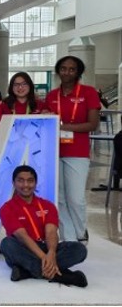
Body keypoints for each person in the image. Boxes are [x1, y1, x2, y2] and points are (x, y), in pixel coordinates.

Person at [0, 165, 88, 287]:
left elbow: (51, 233)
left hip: (46, 247)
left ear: (35, 183)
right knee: (7, 244)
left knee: (80, 249)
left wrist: (51, 253)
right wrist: (44, 258)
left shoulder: (47, 205)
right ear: (13, 183)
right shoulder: (7, 208)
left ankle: (27, 272)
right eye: (20, 180)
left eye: (30, 181)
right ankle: (62, 275)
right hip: (24, 248)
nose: (25, 185)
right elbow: (22, 236)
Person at [44, 56, 101, 243]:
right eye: (63, 68)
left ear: (78, 72)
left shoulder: (89, 92)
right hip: (54, 151)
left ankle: (80, 234)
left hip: (77, 153)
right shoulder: (52, 95)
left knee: (75, 198)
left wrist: (64, 127)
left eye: (71, 69)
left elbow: (93, 124)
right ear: (58, 70)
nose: (66, 72)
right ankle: (68, 238)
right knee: (59, 198)